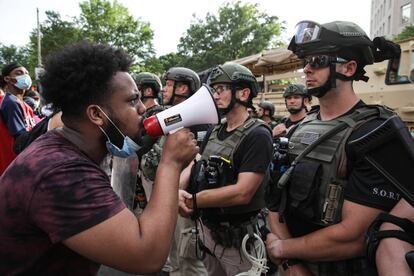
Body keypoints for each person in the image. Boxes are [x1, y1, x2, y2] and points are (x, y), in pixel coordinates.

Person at [0, 41, 198, 275]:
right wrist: (171, 163)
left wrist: (165, 199)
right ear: (96, 114)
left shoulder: (64, 152)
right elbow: (147, 256)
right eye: (132, 100)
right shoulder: (61, 173)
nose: (142, 109)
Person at [265, 20, 403, 275]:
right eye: (305, 61)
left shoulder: (375, 133)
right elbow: (275, 201)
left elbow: (355, 235)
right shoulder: (300, 127)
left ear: (349, 68)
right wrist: (292, 264)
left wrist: (283, 250)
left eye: (317, 61)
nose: (306, 69)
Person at [179, 62, 273, 276]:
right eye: (214, 90)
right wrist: (178, 188)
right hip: (208, 232)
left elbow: (243, 192)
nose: (215, 95)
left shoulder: (257, 135)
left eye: (221, 89)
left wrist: (192, 200)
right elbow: (196, 161)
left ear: (243, 93)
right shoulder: (215, 129)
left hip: (237, 240)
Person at [148, 66, 209, 276]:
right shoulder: (172, 117)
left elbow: (199, 159)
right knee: (173, 253)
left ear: (183, 88)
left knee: (188, 257)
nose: (164, 90)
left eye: (169, 85)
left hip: (184, 196)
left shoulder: (200, 120)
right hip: (169, 193)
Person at [0, 62, 35, 175]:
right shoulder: (11, 103)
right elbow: (20, 140)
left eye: (26, 73)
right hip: (14, 166)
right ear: (7, 79)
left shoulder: (26, 106)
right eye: (19, 73)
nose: (25, 76)